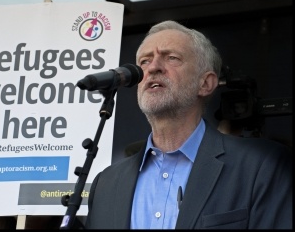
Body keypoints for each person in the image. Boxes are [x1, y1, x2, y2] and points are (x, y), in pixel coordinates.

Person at [84, 20, 292, 229]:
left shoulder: (262, 164)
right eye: (145, 61)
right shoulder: (106, 184)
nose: (154, 67)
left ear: (206, 83)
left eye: (172, 58)